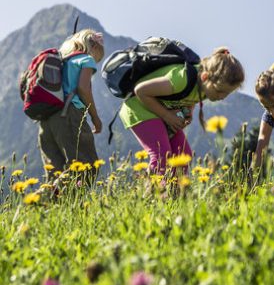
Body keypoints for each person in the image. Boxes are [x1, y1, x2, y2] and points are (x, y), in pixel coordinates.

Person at [119, 47, 244, 174]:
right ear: (205, 77)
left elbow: (188, 97)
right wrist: (167, 115)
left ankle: (175, 192)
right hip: (139, 107)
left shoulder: (207, 89)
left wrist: (187, 111)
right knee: (162, 155)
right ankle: (151, 192)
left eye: (227, 94)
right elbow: (141, 90)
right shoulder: (181, 78)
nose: (222, 97)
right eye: (219, 91)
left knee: (183, 156)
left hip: (161, 111)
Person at [38, 29, 104, 176]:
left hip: (46, 118)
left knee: (56, 173)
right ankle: (40, 199)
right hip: (70, 115)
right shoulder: (86, 59)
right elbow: (83, 88)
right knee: (86, 169)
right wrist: (95, 118)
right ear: (93, 47)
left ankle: (37, 199)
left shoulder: (62, 61)